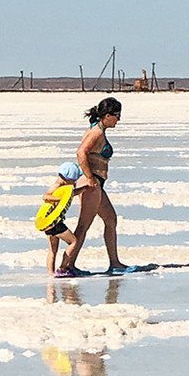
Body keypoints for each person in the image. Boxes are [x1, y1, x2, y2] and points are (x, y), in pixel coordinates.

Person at [57, 97, 135, 275]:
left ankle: (115, 263)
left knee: (111, 219)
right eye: (117, 116)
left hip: (97, 184)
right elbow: (81, 152)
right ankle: (66, 266)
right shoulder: (96, 133)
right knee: (83, 225)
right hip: (92, 185)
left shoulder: (97, 128)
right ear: (107, 115)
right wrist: (90, 177)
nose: (118, 120)